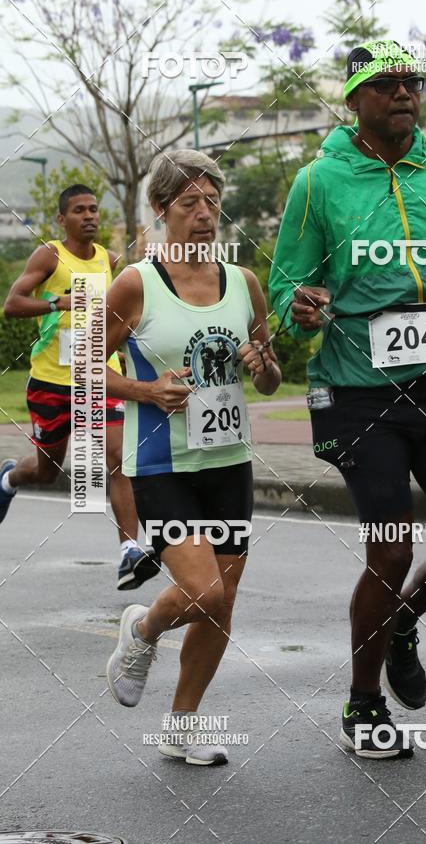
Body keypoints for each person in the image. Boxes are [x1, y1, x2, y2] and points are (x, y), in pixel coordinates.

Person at [269, 40, 426, 759]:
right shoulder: (318, 183)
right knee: (391, 548)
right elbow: (284, 285)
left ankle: (402, 621)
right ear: (355, 100)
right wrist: (298, 307)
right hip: (357, 392)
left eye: (413, 84)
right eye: (387, 85)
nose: (404, 94)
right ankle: (364, 703)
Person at [104, 150, 281, 766]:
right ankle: (143, 628)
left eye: (211, 201)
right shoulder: (137, 282)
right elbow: (83, 370)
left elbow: (266, 377)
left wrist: (264, 366)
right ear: (161, 211)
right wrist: (146, 391)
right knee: (203, 593)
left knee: (222, 601)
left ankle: (182, 725)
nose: (205, 214)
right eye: (189, 204)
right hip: (162, 463)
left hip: (229, 460)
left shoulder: (244, 282)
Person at [0, 184, 155, 591]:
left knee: (118, 455)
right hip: (51, 382)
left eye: (93, 209)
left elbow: (125, 316)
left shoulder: (111, 260)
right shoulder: (50, 255)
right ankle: (9, 478)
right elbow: (12, 304)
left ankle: (128, 551)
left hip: (98, 376)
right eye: (79, 210)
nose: (89, 216)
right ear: (62, 219)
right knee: (47, 471)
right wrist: (58, 304)